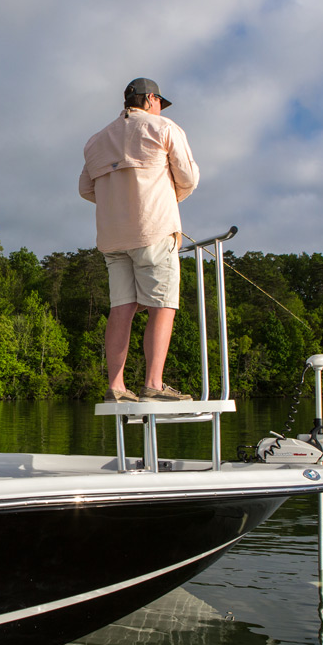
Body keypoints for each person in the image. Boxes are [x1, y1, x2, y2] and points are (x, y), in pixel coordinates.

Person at [79, 77, 200, 403]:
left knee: (122, 307)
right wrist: (161, 199)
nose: (161, 109)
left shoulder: (96, 141)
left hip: (112, 238)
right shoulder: (164, 128)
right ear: (150, 99)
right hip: (154, 231)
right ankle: (153, 384)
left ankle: (117, 387)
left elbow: (85, 189)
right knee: (163, 305)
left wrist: (119, 202)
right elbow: (188, 178)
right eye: (160, 102)